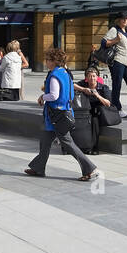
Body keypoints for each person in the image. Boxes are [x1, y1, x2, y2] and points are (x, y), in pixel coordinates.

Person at [23, 46, 100, 182]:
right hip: (61, 114)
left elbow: (54, 95)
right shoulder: (64, 72)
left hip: (56, 115)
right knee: (45, 141)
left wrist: (42, 97)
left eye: (48, 60)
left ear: (54, 61)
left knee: (67, 143)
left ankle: (90, 168)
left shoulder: (54, 75)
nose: (46, 62)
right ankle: (38, 167)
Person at [100, 14, 127, 117]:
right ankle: (117, 108)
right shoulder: (114, 30)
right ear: (118, 20)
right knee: (117, 85)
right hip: (118, 61)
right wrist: (115, 40)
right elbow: (103, 43)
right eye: (123, 19)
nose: (125, 21)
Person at [73, 65, 113, 154]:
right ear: (86, 77)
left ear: (97, 77)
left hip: (98, 112)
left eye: (94, 76)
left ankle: (94, 147)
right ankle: (79, 145)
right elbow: (71, 84)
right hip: (84, 111)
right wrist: (83, 89)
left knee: (94, 121)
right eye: (90, 76)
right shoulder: (84, 84)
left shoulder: (103, 88)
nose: (92, 78)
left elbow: (108, 103)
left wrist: (97, 95)